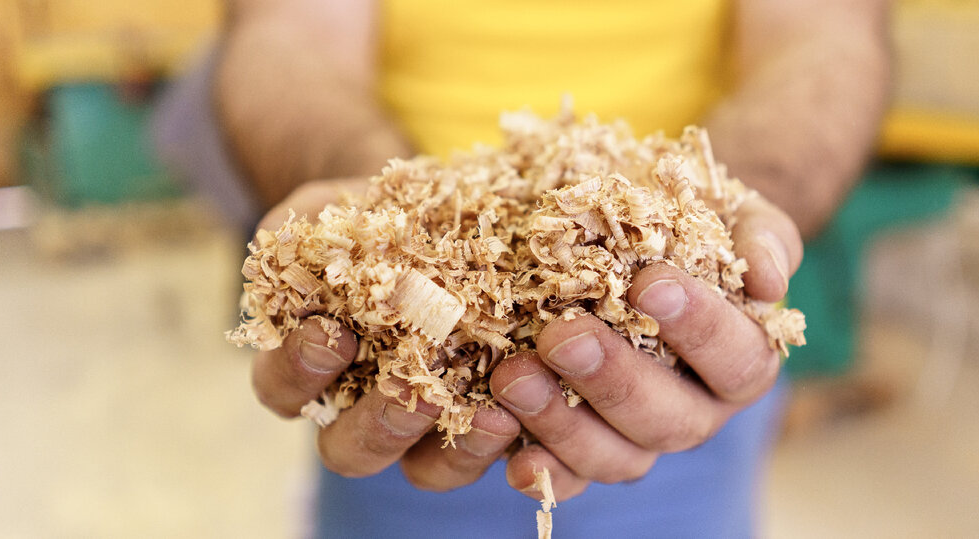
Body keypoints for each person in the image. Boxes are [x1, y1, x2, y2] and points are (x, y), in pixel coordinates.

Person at [168, 0, 889, 536]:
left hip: (687, 363)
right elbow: (290, 34)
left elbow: (823, 34)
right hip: (401, 405)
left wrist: (716, 226)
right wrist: (374, 214)